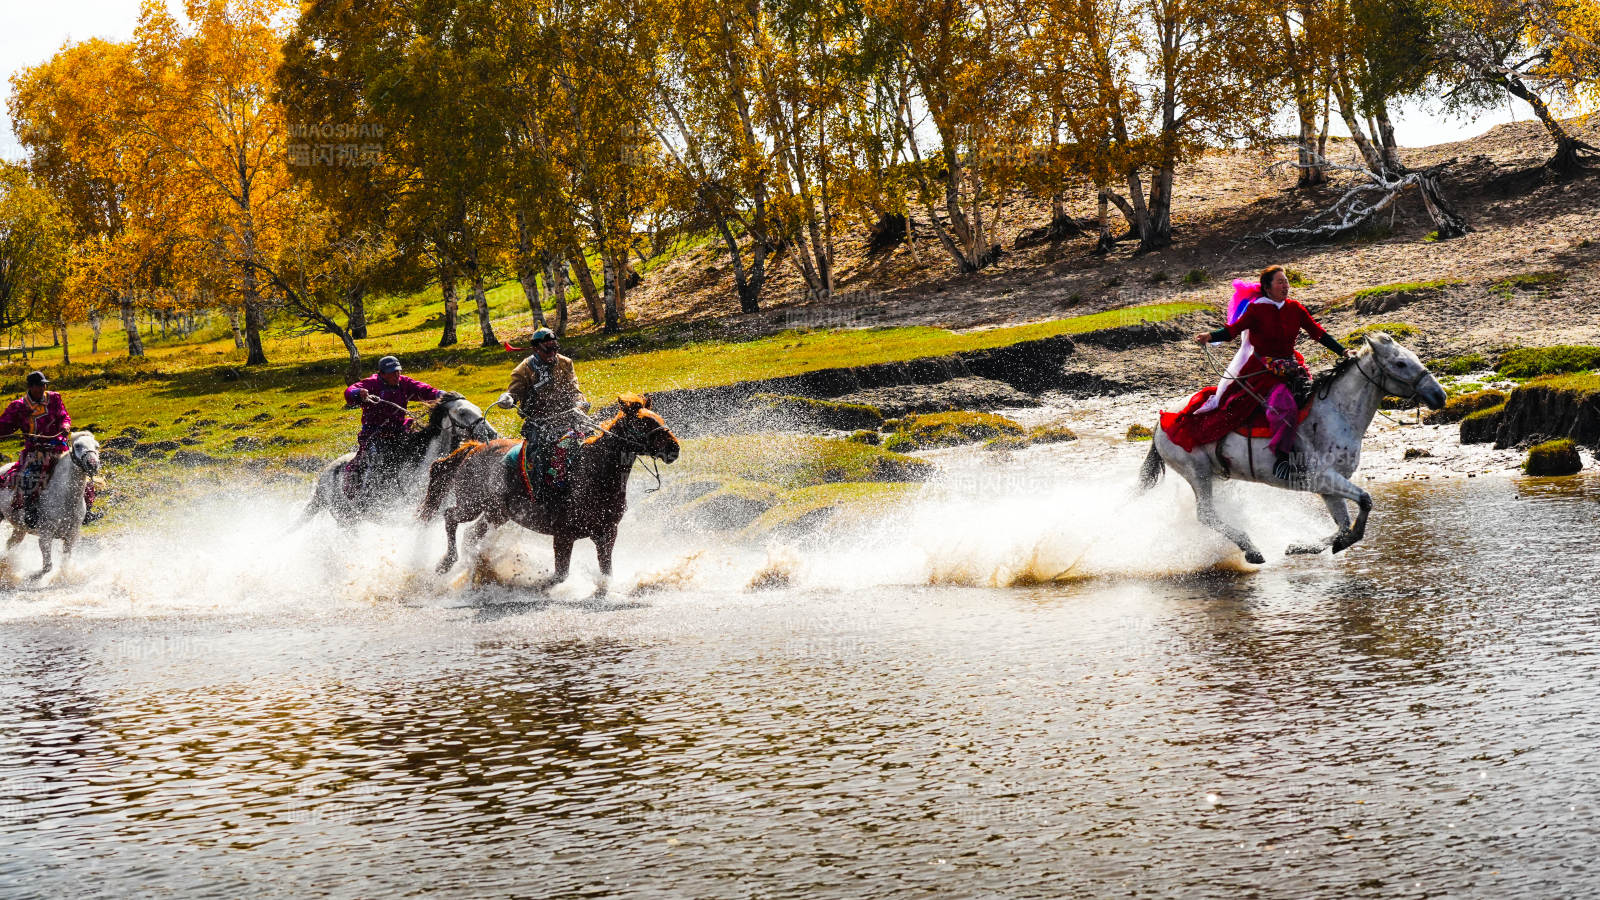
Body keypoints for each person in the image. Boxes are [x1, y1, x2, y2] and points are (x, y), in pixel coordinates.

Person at [1183, 265, 1353, 480]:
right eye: (1280, 282)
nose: (1285, 286)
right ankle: (1282, 458)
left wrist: (1343, 350)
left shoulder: (1295, 308)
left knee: (1314, 399)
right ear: (1267, 287)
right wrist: (1210, 336)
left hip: (1291, 365)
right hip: (1262, 369)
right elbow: (1232, 331)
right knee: (1284, 405)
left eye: (1286, 282)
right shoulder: (1256, 309)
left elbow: (1318, 333)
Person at [495, 328, 588, 502]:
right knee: (542, 455)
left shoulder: (566, 363)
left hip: (569, 419)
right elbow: (513, 393)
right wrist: (507, 398)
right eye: (547, 349)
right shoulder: (523, 369)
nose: (552, 353)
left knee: (593, 443)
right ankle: (541, 497)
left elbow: (575, 390)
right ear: (536, 349)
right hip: (539, 424)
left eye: (555, 349)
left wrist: (580, 403)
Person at [343, 356, 441, 494]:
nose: (396, 375)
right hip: (374, 434)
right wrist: (358, 393)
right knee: (371, 460)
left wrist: (440, 394)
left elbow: (423, 390)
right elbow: (349, 392)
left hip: (400, 431)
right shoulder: (371, 383)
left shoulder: (405, 383)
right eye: (392, 372)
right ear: (382, 373)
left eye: (398, 371)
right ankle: (359, 489)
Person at [0, 371, 85, 527]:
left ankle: (85, 509)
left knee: (80, 470)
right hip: (35, 451)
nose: (43, 388)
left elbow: (63, 415)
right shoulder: (18, 406)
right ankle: (30, 510)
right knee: (29, 477)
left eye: (44, 385)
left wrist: (65, 425)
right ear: (30, 387)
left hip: (60, 447)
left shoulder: (54, 398)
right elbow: (4, 425)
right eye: (39, 385)